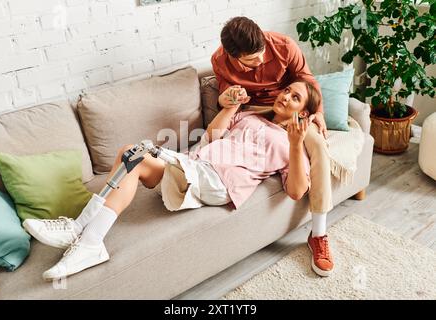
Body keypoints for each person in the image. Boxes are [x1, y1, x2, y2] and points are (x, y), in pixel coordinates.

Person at [23, 79, 333, 281]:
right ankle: (87, 240)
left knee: (140, 153)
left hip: (218, 182)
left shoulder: (291, 142)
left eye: (296, 98)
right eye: (287, 91)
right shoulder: (251, 116)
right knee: (128, 153)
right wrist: (233, 106)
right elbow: (212, 136)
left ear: (303, 112)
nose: (286, 97)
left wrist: (295, 145)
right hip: (197, 165)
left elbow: (296, 191)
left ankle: (79, 230)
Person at [211, 17, 334, 276]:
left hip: (286, 108)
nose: (259, 62)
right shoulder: (219, 60)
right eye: (251, 61)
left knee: (319, 147)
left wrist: (318, 112)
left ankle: (319, 234)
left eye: (261, 55)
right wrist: (230, 97)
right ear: (233, 57)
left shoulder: (283, 46)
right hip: (253, 110)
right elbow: (223, 96)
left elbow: (307, 81)